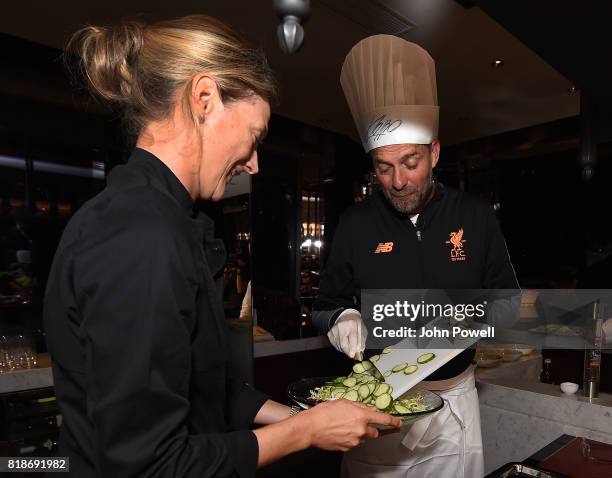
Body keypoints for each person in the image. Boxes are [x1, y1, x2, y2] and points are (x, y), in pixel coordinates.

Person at [43, 16, 399, 477]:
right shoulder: (143, 237)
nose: (253, 164)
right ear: (204, 98)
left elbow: (196, 390)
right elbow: (151, 464)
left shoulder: (157, 220)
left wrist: (306, 417)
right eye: (255, 137)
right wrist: (306, 432)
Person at [313, 35, 520, 477]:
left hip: (455, 404)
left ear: (435, 152)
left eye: (411, 162)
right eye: (384, 168)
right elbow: (325, 304)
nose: (399, 181)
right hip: (381, 408)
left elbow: (508, 300)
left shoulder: (476, 216)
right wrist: (339, 319)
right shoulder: (354, 223)